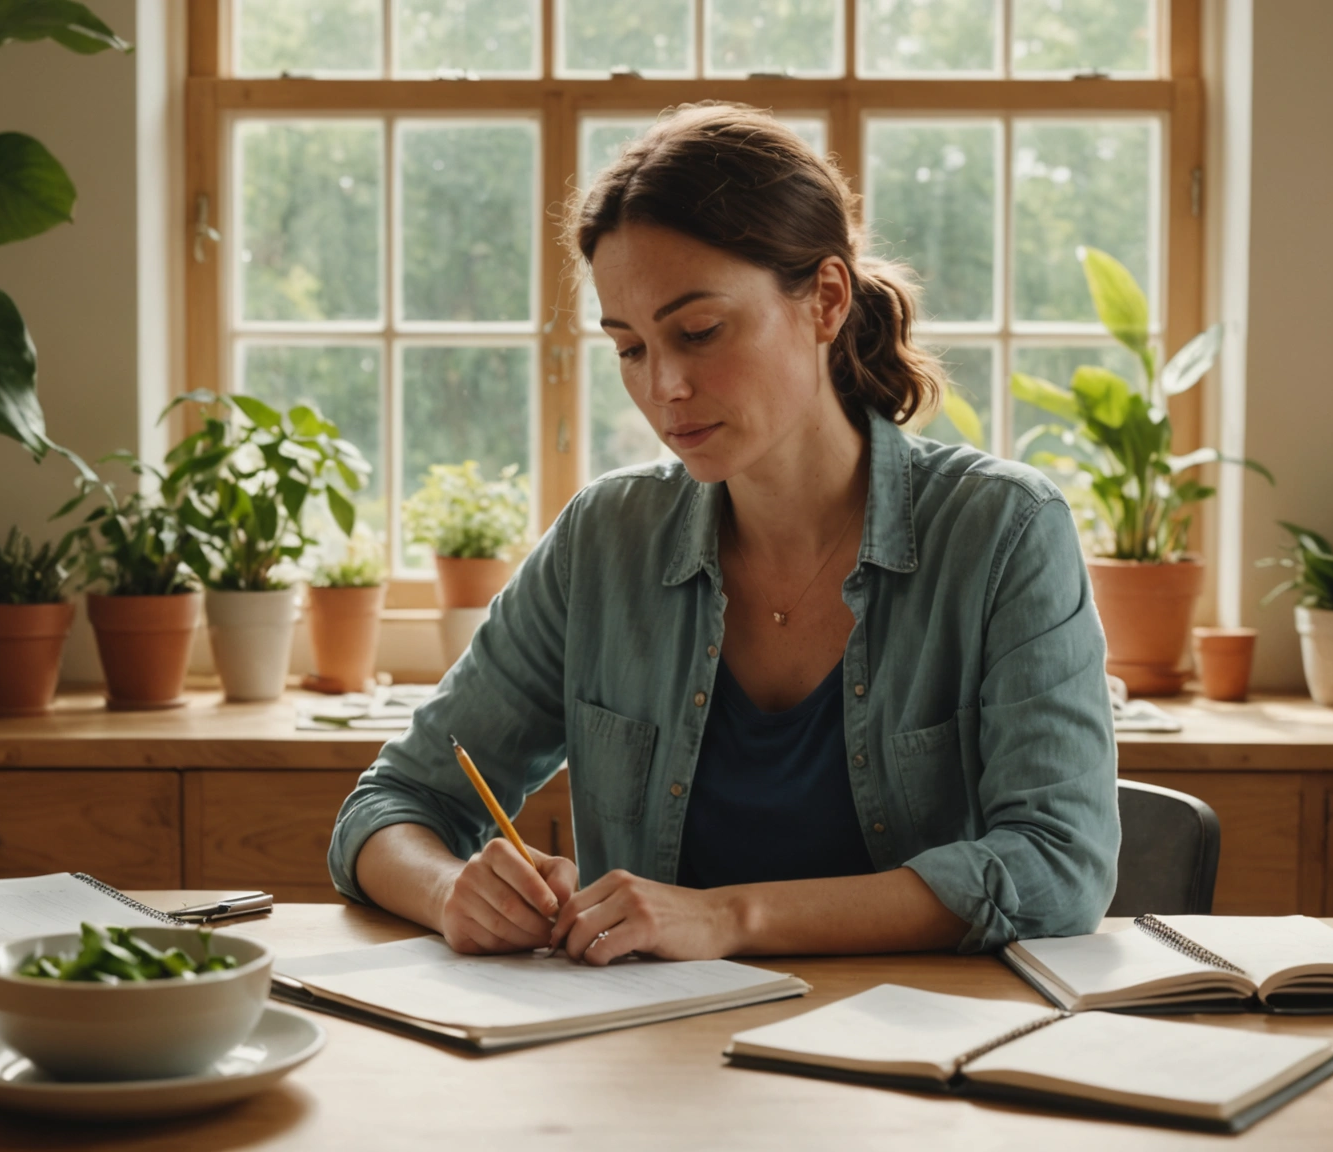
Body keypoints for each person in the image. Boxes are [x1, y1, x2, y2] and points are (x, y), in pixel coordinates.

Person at [328, 103, 1118, 965]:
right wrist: (452, 893)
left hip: (921, 1068)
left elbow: (1058, 866)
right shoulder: (605, 540)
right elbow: (391, 803)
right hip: (657, 1064)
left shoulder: (1003, 532)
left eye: (699, 332)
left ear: (825, 299)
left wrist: (729, 918)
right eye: (629, 348)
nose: (664, 386)